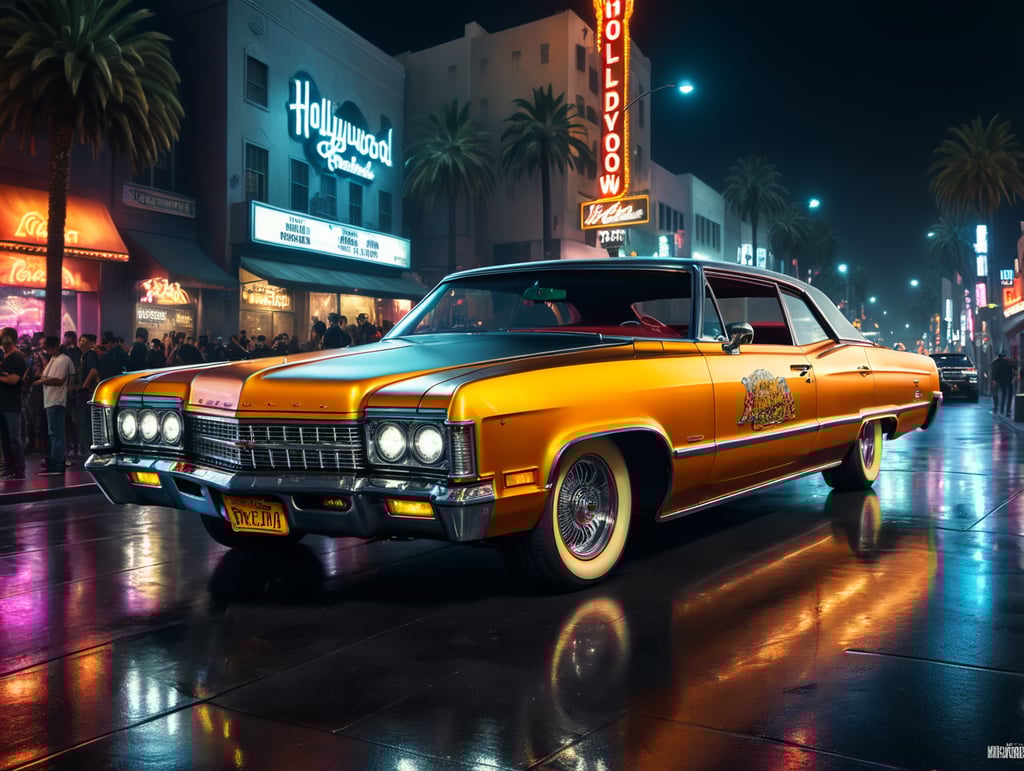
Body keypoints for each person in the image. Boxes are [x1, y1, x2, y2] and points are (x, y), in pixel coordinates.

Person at [33, 336, 75, 475]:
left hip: (56, 401)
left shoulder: (63, 360)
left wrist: (41, 382)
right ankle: (53, 461)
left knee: (56, 434)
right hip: (50, 401)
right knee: (53, 434)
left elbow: (59, 380)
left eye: (49, 347)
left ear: (56, 346)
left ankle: (57, 464)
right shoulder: (53, 359)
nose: (47, 350)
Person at [0, 327, 27, 480]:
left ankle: (19, 470)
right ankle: (9, 469)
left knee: (14, 438)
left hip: (11, 404)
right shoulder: (5, 356)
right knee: (4, 439)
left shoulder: (17, 357)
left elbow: (13, 380)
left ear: (9, 338)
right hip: (2, 404)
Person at [992, 351, 1013, 417]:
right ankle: (1007, 411)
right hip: (1008, 381)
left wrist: (994, 380)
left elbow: (994, 372)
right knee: (1008, 395)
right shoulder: (1007, 363)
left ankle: (1001, 410)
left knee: (1002, 395)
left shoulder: (996, 363)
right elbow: (1011, 372)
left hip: (1000, 381)